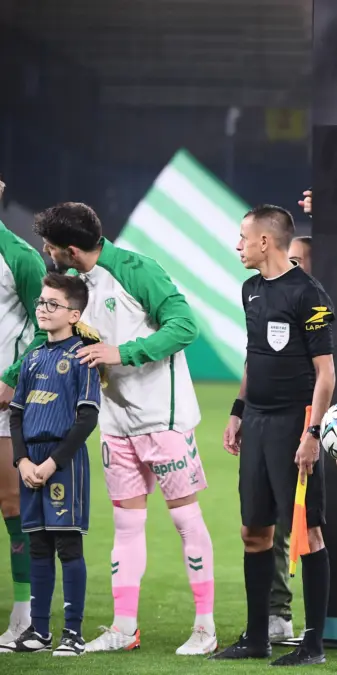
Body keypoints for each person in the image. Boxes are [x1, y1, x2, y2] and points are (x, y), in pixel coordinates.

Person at [32, 202, 217, 655]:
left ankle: (205, 628)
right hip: (115, 422)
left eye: (50, 246)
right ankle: (124, 627)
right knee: (126, 523)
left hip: (162, 416)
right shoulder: (73, 287)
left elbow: (185, 325)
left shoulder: (136, 270)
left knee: (183, 517)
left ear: (70, 250)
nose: (46, 251)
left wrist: (123, 352)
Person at [216, 205, 335, 666]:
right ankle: (257, 636)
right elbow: (255, 354)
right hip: (259, 423)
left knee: (309, 536)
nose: (238, 245)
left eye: (243, 237)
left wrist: (313, 433)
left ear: (265, 241)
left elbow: (326, 374)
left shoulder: (309, 294)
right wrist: (237, 411)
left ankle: (314, 644)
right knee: (254, 532)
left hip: (294, 424)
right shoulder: (250, 290)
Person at [0, 273, 99, 657]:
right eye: (41, 303)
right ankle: (38, 633)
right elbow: (16, 414)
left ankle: (72, 635)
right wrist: (22, 460)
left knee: (68, 546)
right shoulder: (34, 356)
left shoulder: (83, 356)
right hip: (30, 464)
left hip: (64, 462)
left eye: (52, 304)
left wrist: (52, 463)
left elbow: (87, 418)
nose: (43, 309)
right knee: (38, 546)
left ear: (74, 314)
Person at [0, 212, 47, 645]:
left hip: (2, 402)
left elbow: (43, 327)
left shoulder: (19, 257)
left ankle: (25, 611)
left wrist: (12, 377)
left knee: (12, 503)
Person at [269, 232, 311, 644]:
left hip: (324, 426)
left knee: (313, 525)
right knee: (280, 523)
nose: (292, 266)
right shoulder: (267, 300)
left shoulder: (319, 308)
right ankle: (278, 614)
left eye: (300, 260)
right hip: (280, 425)